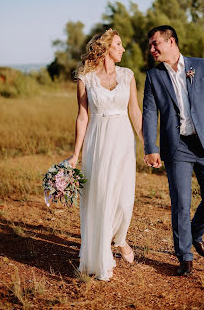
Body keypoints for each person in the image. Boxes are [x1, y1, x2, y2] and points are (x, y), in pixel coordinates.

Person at [143, 25, 204, 276]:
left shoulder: (200, 66)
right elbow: (149, 112)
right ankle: (185, 257)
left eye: (155, 43)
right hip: (176, 145)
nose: (152, 49)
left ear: (171, 42)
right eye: (150, 45)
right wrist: (151, 146)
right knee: (181, 202)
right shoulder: (153, 76)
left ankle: (196, 234)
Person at [67, 28, 143, 281]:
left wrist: (147, 145)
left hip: (123, 139)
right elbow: (82, 115)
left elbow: (134, 110)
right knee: (100, 196)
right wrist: (75, 154)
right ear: (106, 47)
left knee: (123, 197)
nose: (122, 49)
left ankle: (120, 239)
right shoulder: (85, 78)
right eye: (119, 45)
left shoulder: (127, 75)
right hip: (97, 141)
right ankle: (101, 253)